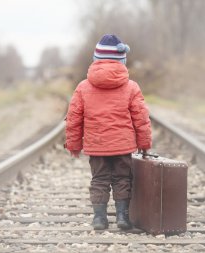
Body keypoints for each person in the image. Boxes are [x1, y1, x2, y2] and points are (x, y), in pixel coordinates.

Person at [65, 34, 152, 230]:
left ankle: (99, 218)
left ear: (96, 59)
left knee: (99, 179)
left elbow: (73, 120)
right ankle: (122, 217)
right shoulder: (131, 87)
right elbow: (141, 118)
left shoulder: (83, 87)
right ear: (122, 61)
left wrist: (74, 145)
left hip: (96, 146)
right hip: (123, 145)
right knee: (122, 178)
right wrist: (144, 143)